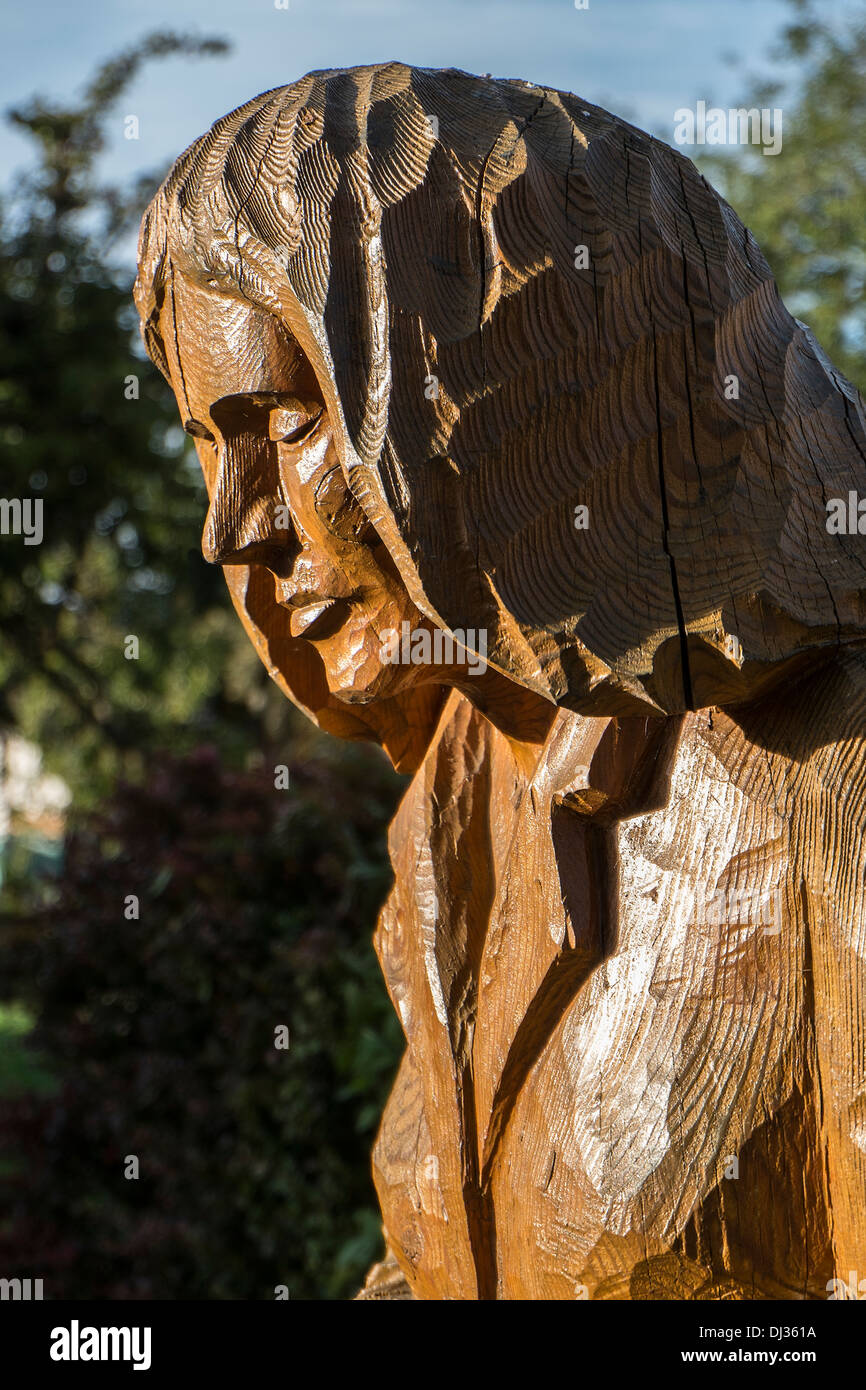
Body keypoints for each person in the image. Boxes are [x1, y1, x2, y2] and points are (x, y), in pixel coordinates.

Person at [135, 62, 866, 1300]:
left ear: (504, 385)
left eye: (286, 420)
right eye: (211, 443)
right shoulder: (454, 803)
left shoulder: (829, 781)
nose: (230, 528)